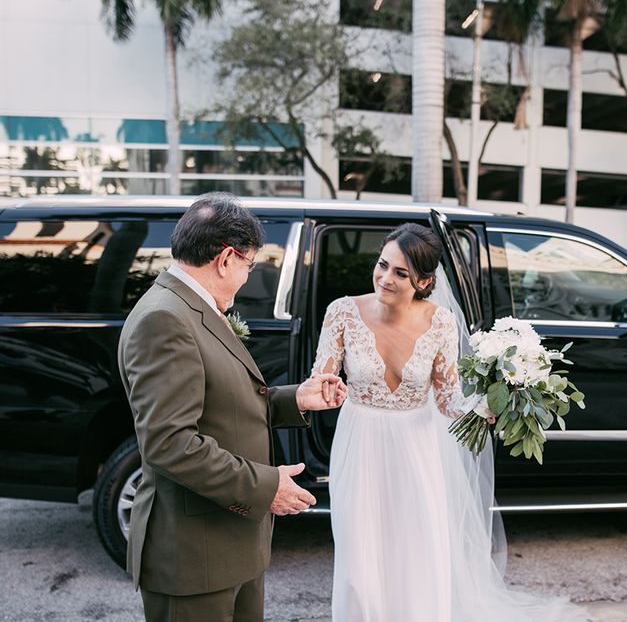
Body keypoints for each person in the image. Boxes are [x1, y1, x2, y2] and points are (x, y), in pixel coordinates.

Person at [312, 222, 586, 621]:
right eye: (382, 264)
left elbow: (446, 398)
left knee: (416, 552)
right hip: (360, 440)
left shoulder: (440, 322)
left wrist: (487, 404)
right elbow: (321, 379)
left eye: (400, 272)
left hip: (415, 447)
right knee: (359, 557)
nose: (385, 278)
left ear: (424, 281)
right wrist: (325, 392)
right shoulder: (342, 312)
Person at [118, 192, 346, 622]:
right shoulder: (164, 318)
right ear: (226, 258)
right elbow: (170, 443)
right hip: (194, 553)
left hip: (230, 543)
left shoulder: (195, 306)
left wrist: (294, 397)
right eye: (249, 265)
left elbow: (221, 401)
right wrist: (266, 487)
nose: (246, 276)